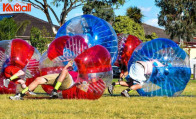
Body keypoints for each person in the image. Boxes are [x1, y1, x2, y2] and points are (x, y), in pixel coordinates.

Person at [9, 60, 74, 100]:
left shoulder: (77, 66)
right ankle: (20, 95)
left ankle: (55, 91)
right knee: (38, 79)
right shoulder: (67, 61)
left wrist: (68, 65)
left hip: (68, 82)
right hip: (59, 76)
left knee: (64, 70)